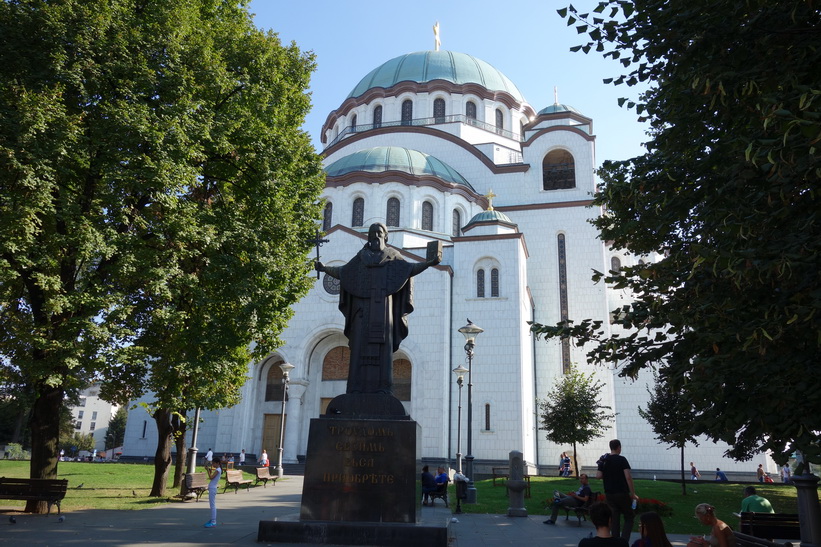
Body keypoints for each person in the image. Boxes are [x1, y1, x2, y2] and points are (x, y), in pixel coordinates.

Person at [315, 222, 440, 394]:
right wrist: (325, 268)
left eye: (379, 232)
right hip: (361, 312)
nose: (375, 235)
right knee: (358, 347)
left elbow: (409, 269)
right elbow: (344, 272)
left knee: (384, 349)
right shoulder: (361, 257)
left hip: (383, 312)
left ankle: (384, 388)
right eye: (372, 233)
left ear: (385, 236)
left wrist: (428, 263)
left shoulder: (393, 256)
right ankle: (355, 388)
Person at [597, 439, 638, 542]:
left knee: (614, 519)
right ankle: (623, 541)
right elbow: (628, 477)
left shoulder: (604, 460)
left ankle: (615, 542)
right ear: (619, 447)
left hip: (609, 494)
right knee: (629, 516)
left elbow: (598, 476)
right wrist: (633, 493)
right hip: (621, 492)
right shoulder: (622, 460)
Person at [204, 459, 222, 528]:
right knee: (212, 505)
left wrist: (207, 470)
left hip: (213, 488)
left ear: (217, 463)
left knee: (212, 505)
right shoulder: (218, 470)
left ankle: (213, 521)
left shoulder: (218, 470)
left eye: (214, 463)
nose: (213, 465)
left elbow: (211, 477)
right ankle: (212, 519)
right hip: (212, 488)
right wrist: (209, 470)